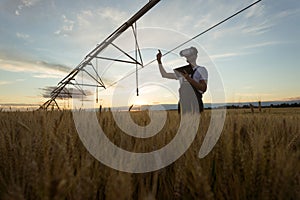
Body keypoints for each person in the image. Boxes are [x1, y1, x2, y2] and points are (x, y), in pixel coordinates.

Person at [156, 47, 208, 113]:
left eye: (192, 55)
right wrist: (159, 61)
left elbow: (203, 88)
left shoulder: (201, 69)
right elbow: (164, 74)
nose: (189, 57)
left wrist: (189, 79)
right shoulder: (182, 71)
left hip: (195, 102)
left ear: (196, 56)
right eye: (188, 56)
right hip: (183, 103)